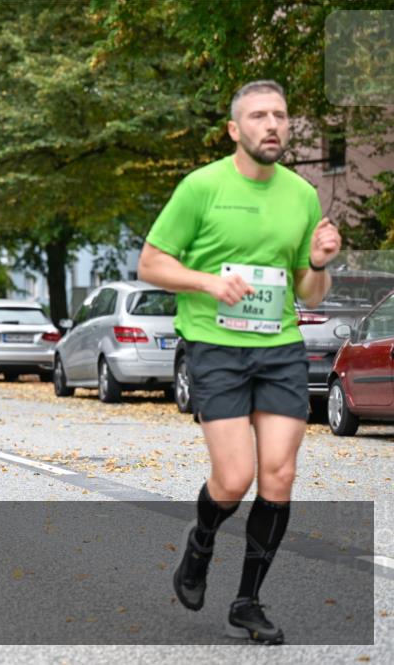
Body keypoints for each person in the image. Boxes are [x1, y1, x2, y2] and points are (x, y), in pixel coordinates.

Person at [137, 80, 341, 645]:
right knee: (234, 478)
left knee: (279, 475)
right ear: (234, 129)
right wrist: (208, 282)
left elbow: (310, 291)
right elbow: (150, 264)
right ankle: (200, 544)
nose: (271, 124)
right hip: (215, 345)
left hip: (279, 347)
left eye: (280, 115)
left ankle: (246, 602)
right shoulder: (202, 187)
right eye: (258, 116)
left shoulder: (301, 195)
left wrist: (318, 264)